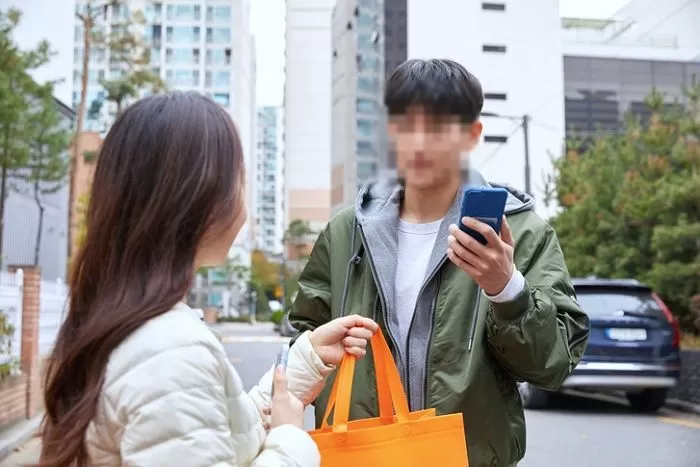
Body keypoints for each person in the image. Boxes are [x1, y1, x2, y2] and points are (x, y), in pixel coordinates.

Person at [37, 92, 378, 467]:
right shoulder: (170, 353)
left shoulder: (131, 324)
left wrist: (307, 359)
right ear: (200, 198)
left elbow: (212, 431)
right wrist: (291, 442)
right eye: (240, 179)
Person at [289, 59, 590, 466]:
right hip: (361, 455)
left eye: (438, 127)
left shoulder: (522, 233)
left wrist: (508, 290)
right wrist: (325, 349)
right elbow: (303, 342)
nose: (419, 142)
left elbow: (552, 366)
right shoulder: (346, 232)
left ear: (472, 134)